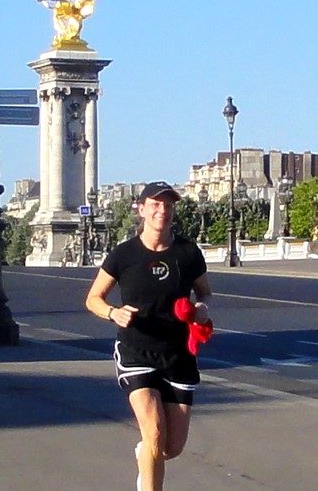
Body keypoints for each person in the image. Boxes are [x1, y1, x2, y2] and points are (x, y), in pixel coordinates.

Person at [85, 181, 212, 491]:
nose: (162, 210)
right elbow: (93, 299)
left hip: (178, 355)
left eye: (168, 205)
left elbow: (205, 294)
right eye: (155, 204)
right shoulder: (124, 254)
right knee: (154, 434)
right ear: (141, 210)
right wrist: (113, 313)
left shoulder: (187, 252)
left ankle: (145, 456)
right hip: (136, 353)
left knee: (170, 448)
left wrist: (201, 310)